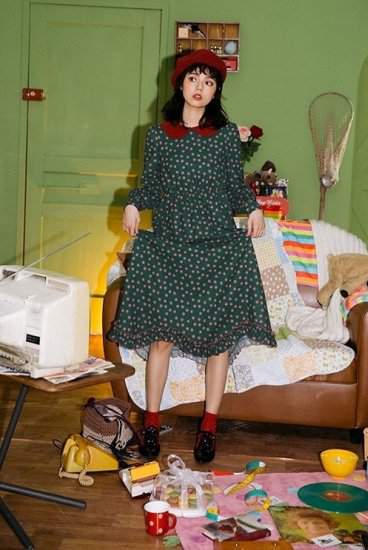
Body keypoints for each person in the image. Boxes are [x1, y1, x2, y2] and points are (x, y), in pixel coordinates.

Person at [108, 49, 276, 463]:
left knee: (219, 343)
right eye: (193, 79)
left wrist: (253, 208)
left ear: (216, 91)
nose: (200, 88)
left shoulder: (224, 136)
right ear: (180, 84)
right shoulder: (158, 135)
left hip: (217, 250)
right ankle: (151, 424)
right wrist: (133, 203)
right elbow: (149, 185)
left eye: (209, 82)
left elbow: (234, 187)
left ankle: (208, 428)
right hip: (170, 249)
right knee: (161, 340)